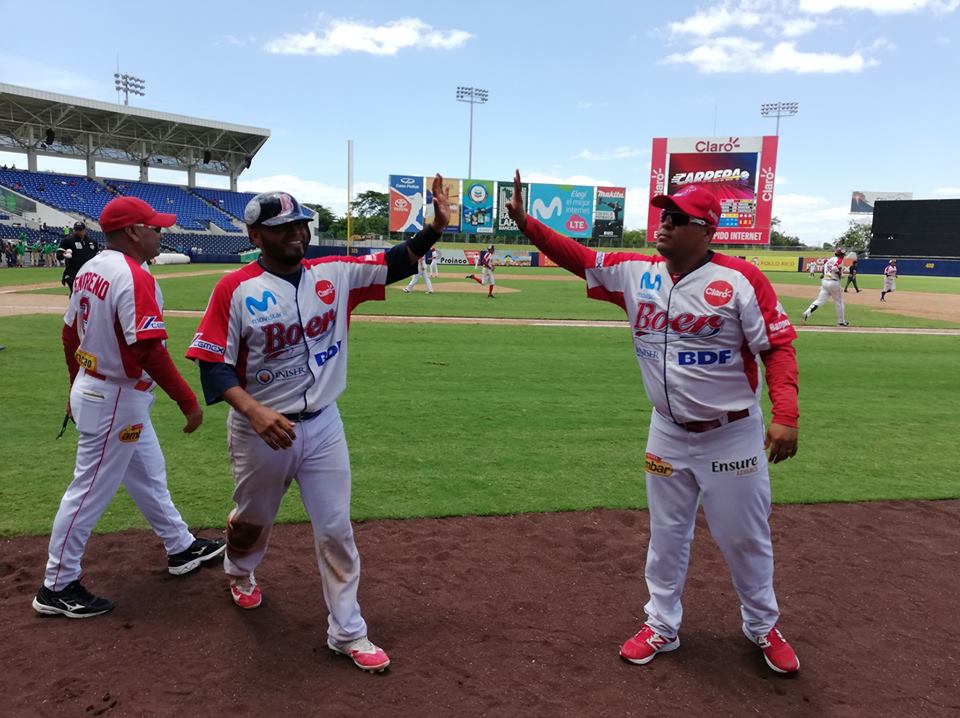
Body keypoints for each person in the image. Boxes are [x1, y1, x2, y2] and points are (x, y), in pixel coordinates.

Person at [505, 172, 801, 674]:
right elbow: (578, 258)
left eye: (677, 219)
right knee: (667, 534)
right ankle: (662, 624)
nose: (664, 225)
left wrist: (786, 415)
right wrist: (525, 222)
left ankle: (762, 625)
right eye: (663, 216)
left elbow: (777, 348)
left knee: (744, 536)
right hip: (666, 431)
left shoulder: (741, 280)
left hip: (731, 434)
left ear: (706, 230)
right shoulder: (634, 272)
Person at [184, 176, 450, 673]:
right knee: (252, 521)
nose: (297, 234)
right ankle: (239, 571)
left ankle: (347, 631)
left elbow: (393, 262)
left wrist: (434, 226)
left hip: (324, 424)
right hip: (261, 428)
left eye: (301, 224)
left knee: (336, 530)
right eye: (283, 227)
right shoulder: (234, 289)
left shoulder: (333, 272)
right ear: (256, 237)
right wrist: (254, 411)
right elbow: (213, 363)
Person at [32, 197, 225, 619]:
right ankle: (57, 584)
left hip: (106, 391)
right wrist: (188, 401)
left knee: (148, 474)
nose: (162, 233)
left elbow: (69, 336)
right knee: (88, 493)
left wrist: (72, 386)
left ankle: (180, 547)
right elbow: (148, 349)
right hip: (115, 398)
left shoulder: (91, 268)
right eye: (155, 227)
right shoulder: (132, 276)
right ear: (134, 232)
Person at [802, 247, 848, 326]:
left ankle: (807, 312)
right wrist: (840, 275)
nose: (843, 256)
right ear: (841, 254)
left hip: (825, 282)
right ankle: (841, 322)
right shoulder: (839, 260)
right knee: (839, 303)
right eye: (843, 254)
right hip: (833, 282)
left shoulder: (829, 260)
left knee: (819, 300)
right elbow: (834, 268)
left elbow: (825, 269)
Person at [58, 222, 100, 293]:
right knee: (75, 292)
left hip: (88, 273)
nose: (78, 231)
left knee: (88, 294)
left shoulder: (92, 242)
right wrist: (63, 254)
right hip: (73, 272)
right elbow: (59, 255)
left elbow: (98, 255)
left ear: (84, 230)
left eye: (80, 229)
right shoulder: (68, 240)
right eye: (76, 229)